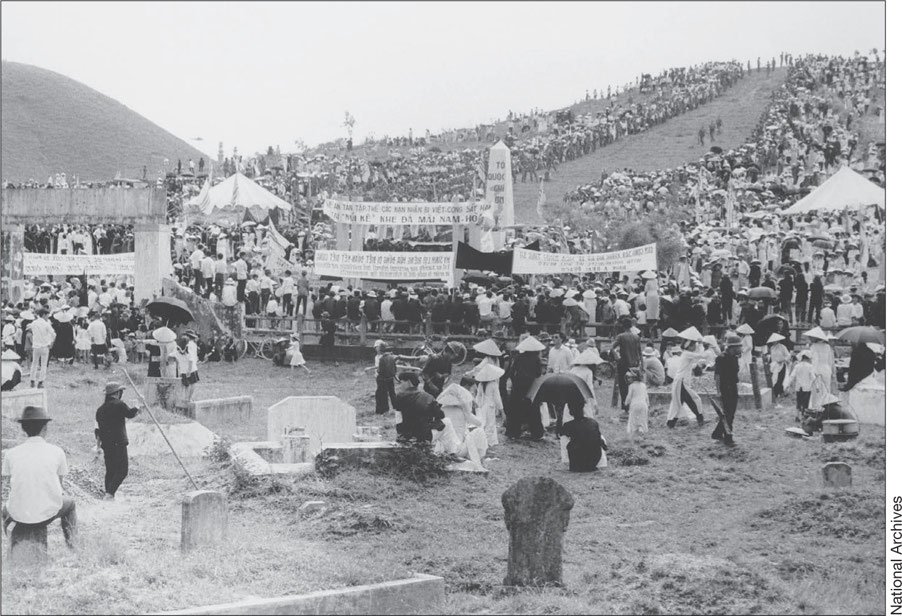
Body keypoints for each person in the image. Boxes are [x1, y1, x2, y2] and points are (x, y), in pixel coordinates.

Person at [1, 406, 77, 550]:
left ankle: (14, 542)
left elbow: (10, 485)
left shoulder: (10, 454)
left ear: (23, 429)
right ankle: (73, 546)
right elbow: (59, 486)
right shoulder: (57, 451)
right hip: (47, 514)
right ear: (45, 428)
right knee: (70, 504)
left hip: (19, 514)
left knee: (4, 510)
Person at [95, 382, 140, 500]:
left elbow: (97, 430)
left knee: (110, 470)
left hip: (107, 444)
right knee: (122, 470)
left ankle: (109, 494)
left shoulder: (100, 410)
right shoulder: (119, 405)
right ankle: (109, 494)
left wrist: (98, 445)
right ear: (117, 393)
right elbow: (130, 414)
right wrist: (138, 407)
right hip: (119, 442)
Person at [666, 328, 706, 428]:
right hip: (681, 382)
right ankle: (700, 418)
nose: (695, 347)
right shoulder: (687, 354)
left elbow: (692, 364)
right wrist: (700, 344)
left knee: (680, 403)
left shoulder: (686, 354)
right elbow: (701, 355)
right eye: (694, 345)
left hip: (681, 381)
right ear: (690, 346)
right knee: (693, 399)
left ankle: (671, 423)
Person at [393, 372, 445, 443]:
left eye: (401, 383)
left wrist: (401, 435)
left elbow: (398, 420)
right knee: (447, 423)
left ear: (408, 382)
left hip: (407, 436)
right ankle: (453, 451)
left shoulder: (399, 397)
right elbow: (441, 415)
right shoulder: (428, 397)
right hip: (424, 435)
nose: (400, 386)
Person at [712, 332, 742, 445]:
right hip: (725, 388)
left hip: (733, 387)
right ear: (733, 347)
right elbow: (718, 376)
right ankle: (728, 437)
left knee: (730, 413)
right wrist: (718, 391)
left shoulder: (734, 358)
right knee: (728, 414)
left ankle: (717, 433)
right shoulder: (721, 358)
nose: (741, 348)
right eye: (739, 346)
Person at [559, 403, 606, 472]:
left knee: (564, 439)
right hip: (594, 460)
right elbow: (602, 442)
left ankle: (568, 462)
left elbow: (560, 433)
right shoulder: (593, 422)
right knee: (597, 438)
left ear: (570, 412)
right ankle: (600, 464)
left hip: (578, 462)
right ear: (583, 410)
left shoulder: (569, 425)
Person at [610, 318, 642, 411]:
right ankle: (632, 405)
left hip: (624, 364)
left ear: (623, 326)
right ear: (631, 326)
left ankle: (625, 406)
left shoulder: (621, 336)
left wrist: (616, 357)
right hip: (635, 364)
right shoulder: (636, 337)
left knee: (623, 386)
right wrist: (641, 365)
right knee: (634, 385)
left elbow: (612, 347)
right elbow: (640, 352)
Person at [473, 362, 504, 448]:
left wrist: (476, 406)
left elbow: (478, 396)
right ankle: (488, 442)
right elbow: (498, 399)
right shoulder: (493, 384)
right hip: (490, 406)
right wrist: (502, 411)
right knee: (490, 424)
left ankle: (482, 441)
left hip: (482, 405)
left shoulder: (480, 384)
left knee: (483, 423)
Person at [28, 308, 56, 388]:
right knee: (43, 365)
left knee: (34, 363)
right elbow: (54, 334)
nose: (48, 317)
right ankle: (40, 382)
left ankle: (32, 380)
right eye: (47, 315)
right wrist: (51, 343)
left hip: (36, 346)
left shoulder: (33, 323)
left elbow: (32, 331)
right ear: (43, 315)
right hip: (44, 346)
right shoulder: (46, 324)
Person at [785, 350, 815, 421]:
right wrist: (816, 385)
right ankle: (803, 416)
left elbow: (792, 376)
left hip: (798, 387)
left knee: (799, 401)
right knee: (805, 402)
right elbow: (813, 377)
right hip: (807, 387)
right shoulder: (810, 366)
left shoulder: (797, 366)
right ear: (808, 358)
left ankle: (797, 415)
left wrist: (788, 384)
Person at [624, 368, 649, 438]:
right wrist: (648, 404)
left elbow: (629, 396)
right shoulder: (643, 385)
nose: (628, 379)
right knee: (642, 418)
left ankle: (633, 435)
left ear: (634, 378)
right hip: (644, 405)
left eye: (629, 378)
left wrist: (626, 403)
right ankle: (641, 429)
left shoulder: (631, 386)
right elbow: (646, 396)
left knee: (633, 419)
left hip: (635, 405)